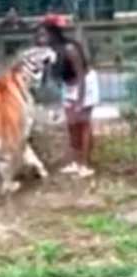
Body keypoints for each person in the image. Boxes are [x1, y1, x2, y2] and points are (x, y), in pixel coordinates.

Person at [35, 14, 98, 178]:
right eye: (39, 35)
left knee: (82, 124)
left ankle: (84, 165)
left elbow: (81, 75)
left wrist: (80, 100)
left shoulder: (70, 48)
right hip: (69, 85)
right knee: (71, 124)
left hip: (83, 84)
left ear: (54, 34)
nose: (40, 39)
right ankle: (74, 161)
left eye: (44, 35)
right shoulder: (51, 52)